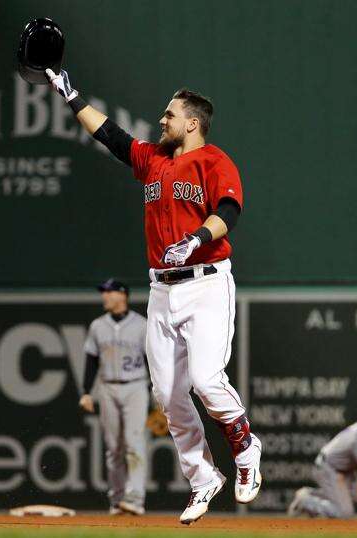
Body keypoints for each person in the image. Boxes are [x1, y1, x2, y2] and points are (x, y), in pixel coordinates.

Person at [46, 68, 262, 524]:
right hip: (161, 289)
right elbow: (111, 135)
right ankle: (203, 477)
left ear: (192, 123)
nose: (161, 120)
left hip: (205, 282)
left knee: (205, 379)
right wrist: (72, 96)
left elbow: (229, 211)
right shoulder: (154, 161)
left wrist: (198, 237)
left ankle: (244, 445)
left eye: (170, 114)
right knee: (167, 395)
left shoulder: (215, 161)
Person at [80, 279, 149, 516]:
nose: (104, 297)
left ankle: (136, 499)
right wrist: (86, 392)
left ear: (122, 295)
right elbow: (91, 360)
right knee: (113, 448)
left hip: (136, 386)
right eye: (104, 293)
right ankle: (117, 500)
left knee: (134, 442)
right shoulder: (98, 326)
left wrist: (157, 391)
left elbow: (153, 360)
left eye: (108, 292)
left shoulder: (142, 325)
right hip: (107, 387)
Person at [288, 403, 357, 519]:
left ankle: (310, 494)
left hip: (345, 468)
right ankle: (305, 501)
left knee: (355, 495)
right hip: (328, 467)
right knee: (344, 512)